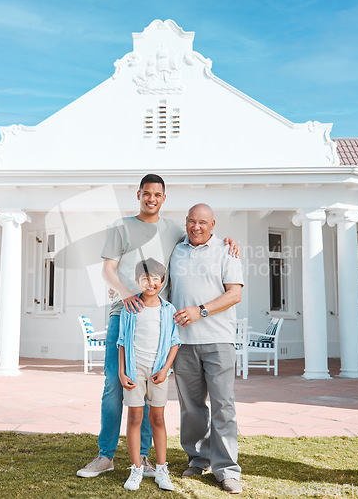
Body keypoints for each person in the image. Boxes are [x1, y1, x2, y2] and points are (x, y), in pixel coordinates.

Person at [77, 174, 239, 478]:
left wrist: (229, 242)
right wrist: (125, 294)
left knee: (153, 386)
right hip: (123, 315)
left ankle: (144, 457)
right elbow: (107, 270)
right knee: (114, 384)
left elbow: (201, 237)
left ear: (164, 198)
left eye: (157, 195)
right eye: (146, 194)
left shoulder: (176, 230)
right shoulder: (120, 226)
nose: (151, 199)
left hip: (159, 321)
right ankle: (105, 455)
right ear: (139, 194)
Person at [170, 203, 244, 495]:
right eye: (191, 221)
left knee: (223, 405)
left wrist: (200, 311)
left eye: (202, 222)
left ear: (213, 225)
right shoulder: (176, 250)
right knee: (191, 408)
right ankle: (198, 459)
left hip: (219, 341)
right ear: (185, 223)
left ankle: (226, 470)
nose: (196, 227)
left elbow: (234, 294)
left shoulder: (227, 250)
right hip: (184, 342)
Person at [117, 258, 180, 491]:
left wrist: (165, 370)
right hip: (134, 371)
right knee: (134, 418)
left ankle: (162, 469)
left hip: (158, 373)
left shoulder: (168, 309)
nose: (150, 282)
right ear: (137, 281)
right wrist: (123, 372)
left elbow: (175, 342)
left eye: (155, 278)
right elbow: (122, 342)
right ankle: (136, 470)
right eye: (145, 278)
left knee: (158, 419)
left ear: (162, 281)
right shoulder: (130, 308)